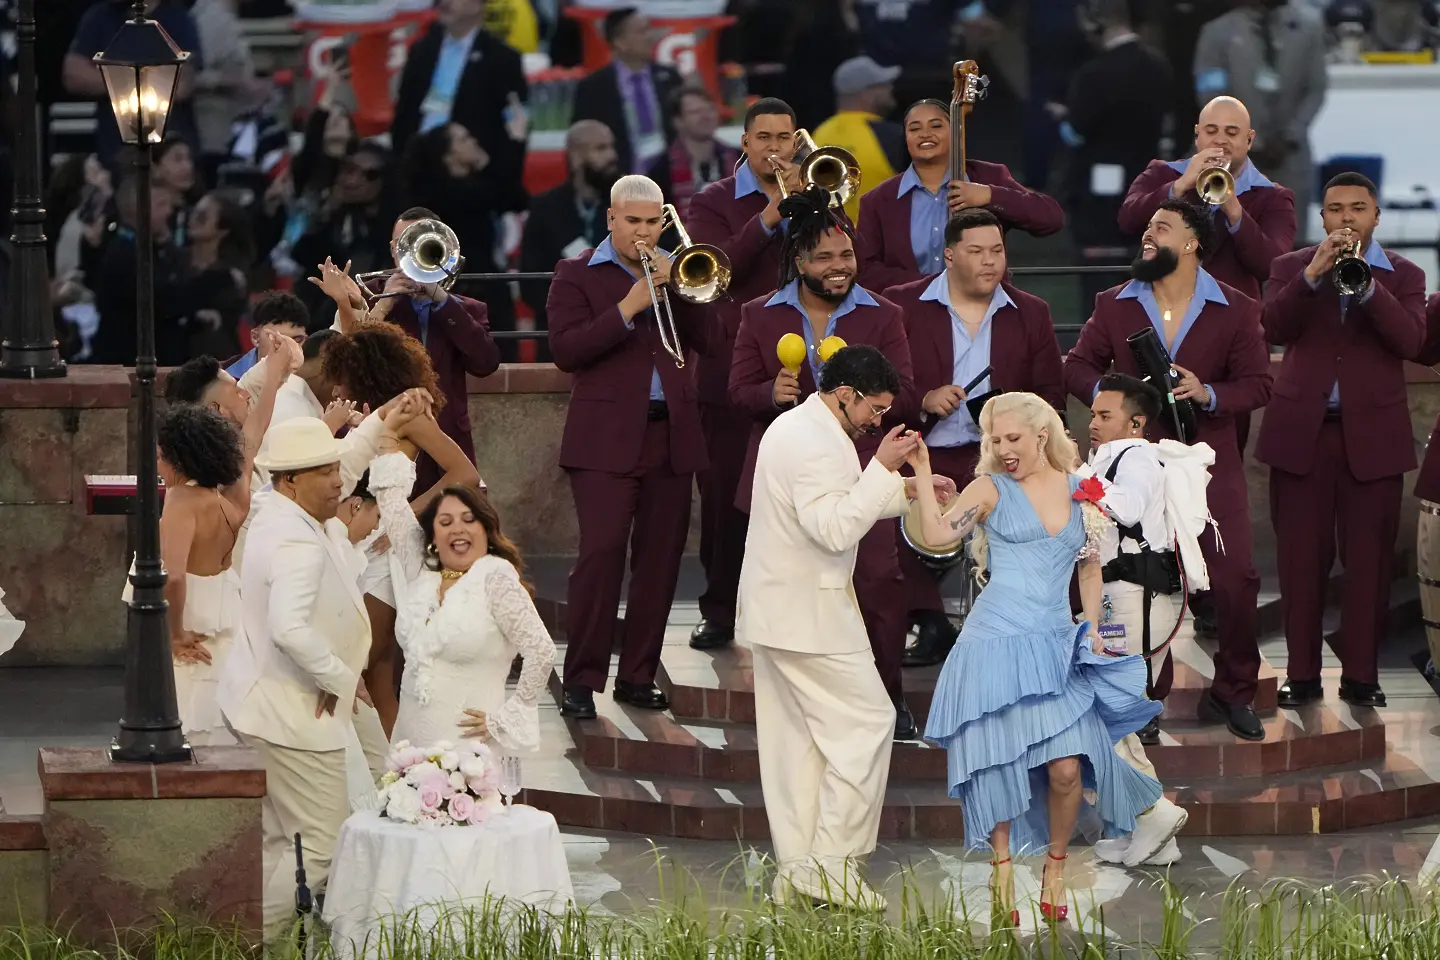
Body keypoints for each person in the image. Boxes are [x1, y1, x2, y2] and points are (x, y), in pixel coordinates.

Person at [916, 392, 1163, 924]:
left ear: (1041, 436)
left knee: (1068, 769)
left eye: (1012, 439)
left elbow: (1090, 568)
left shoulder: (1083, 490)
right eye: (994, 440)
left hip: (1054, 643)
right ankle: (1001, 866)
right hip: (993, 643)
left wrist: (1093, 630)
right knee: (997, 760)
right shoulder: (988, 489)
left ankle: (1055, 864)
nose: (1003, 449)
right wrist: (919, 471)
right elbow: (937, 536)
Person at [1064, 199, 1273, 742]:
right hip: (1131, 459)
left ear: (1194, 241)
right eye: (1147, 228)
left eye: (1162, 226)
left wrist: (1208, 391)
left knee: (1234, 577)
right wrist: (1116, 403)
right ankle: (1142, 701)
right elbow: (1078, 366)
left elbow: (1259, 384)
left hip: (1206, 462)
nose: (1148, 235)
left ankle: (1235, 691)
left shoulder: (1237, 306)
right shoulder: (1114, 303)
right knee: (1131, 578)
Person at [741, 344, 926, 911]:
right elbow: (833, 528)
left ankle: (798, 873)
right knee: (871, 722)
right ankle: (832, 867)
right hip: (810, 616)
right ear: (845, 394)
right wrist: (885, 469)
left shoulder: (806, 427)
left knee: (799, 748)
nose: (879, 420)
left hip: (786, 611)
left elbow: (840, 503)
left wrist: (908, 492)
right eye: (874, 408)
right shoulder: (812, 440)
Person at [728, 186, 917, 737]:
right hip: (790, 480)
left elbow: (904, 392)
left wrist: (858, 399)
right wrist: (771, 393)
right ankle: (796, 710)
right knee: (796, 590)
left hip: (865, 471)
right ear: (798, 262)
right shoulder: (758, 315)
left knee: (878, 585)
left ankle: (887, 699)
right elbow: (736, 391)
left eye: (847, 256)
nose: (840, 268)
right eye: (825, 258)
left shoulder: (884, 315)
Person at [547, 174, 717, 719]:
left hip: (670, 435)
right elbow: (567, 350)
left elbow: (711, 340)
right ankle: (581, 679)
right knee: (599, 556)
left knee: (660, 561)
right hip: (604, 441)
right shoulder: (575, 274)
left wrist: (681, 291)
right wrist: (628, 306)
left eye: (653, 222)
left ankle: (638, 676)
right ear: (611, 220)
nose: (644, 233)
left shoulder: (675, 267)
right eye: (633, 222)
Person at [1256, 172, 1428, 709]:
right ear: (1322, 217)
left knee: (1370, 566)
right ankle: (1302, 676)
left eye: (1358, 208)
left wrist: (1369, 287)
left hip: (1372, 440)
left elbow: (1411, 340)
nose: (1347, 218)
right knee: (1300, 564)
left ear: (1375, 216)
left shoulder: (1405, 275)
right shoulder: (1291, 268)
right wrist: (1312, 276)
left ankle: (1361, 677)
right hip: (1301, 437)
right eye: (1335, 209)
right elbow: (1272, 327)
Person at [217, 417, 389, 939]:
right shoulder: (297, 541)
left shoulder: (278, 510)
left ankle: (276, 946)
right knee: (320, 844)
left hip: (265, 706)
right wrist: (339, 676)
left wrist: (380, 419)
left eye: (338, 468)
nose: (341, 481)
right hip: (290, 715)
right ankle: (257, 946)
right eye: (327, 472)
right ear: (291, 481)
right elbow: (289, 628)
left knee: (280, 841)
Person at [882, 208, 1065, 667]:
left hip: (997, 456)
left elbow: (1051, 398)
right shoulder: (900, 306)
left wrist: (1014, 426)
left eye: (998, 251)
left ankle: (1002, 624)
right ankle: (930, 620)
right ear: (948, 255)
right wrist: (923, 400)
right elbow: (880, 392)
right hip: (918, 448)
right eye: (977, 251)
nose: (990, 262)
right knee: (884, 511)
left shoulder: (1031, 313)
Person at [685, 97, 812, 651]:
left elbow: (842, 252)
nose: (775, 149)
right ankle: (719, 608)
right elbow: (718, 269)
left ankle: (793, 610)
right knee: (724, 496)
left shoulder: (814, 191)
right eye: (763, 138)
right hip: (730, 364)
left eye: (784, 138)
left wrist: (812, 202)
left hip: (810, 362)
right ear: (744, 144)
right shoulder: (711, 202)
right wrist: (772, 215)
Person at [367, 396, 557, 749]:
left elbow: (542, 651)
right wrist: (388, 434)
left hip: (469, 756)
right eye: (446, 522)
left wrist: (505, 719)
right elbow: (392, 501)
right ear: (433, 538)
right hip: (409, 748)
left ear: (486, 531)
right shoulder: (423, 570)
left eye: (469, 521)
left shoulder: (496, 578)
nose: (458, 529)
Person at [1083, 374, 1193, 868]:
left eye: (1105, 416)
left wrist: (1074, 478)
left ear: (1136, 422)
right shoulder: (1108, 460)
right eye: (1092, 414)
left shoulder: (1139, 458)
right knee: (1112, 710)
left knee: (1111, 708)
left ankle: (1153, 813)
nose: (1093, 424)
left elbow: (1124, 509)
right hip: (1113, 599)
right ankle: (1151, 833)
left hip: (1133, 601)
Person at [361, 206, 502, 495]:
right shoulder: (369, 294)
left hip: (447, 438)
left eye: (419, 243)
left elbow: (486, 362)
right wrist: (384, 305)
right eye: (404, 245)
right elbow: (348, 354)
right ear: (392, 250)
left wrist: (441, 299)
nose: (411, 253)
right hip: (385, 436)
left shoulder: (467, 309)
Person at [859, 99, 1065, 292]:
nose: (925, 134)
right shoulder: (877, 200)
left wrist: (990, 196)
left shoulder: (988, 177)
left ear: (957, 132)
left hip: (986, 315)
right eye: (914, 128)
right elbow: (865, 271)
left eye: (936, 126)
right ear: (905, 138)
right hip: (912, 318)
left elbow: (1050, 218)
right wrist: (934, 285)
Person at [1118, 96, 1297, 305]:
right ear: (1197, 135)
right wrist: (1180, 186)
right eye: (1211, 131)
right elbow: (1128, 219)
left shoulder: (1274, 197)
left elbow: (1271, 265)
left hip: (1232, 321)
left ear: (1249, 140)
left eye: (1231, 133)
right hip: (1161, 311)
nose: (1220, 140)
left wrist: (1234, 211)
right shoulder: (1162, 173)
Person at [151, 406, 255, 747]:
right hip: (225, 636)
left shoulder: (181, 500)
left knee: (185, 735)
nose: (157, 465)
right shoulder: (227, 504)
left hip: (190, 633)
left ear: (179, 460)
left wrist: (176, 634)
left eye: (160, 457)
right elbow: (245, 462)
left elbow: (175, 577)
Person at [1061, 0, 1174, 309]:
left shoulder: (1093, 73)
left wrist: (1063, 118)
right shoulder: (1158, 67)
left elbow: (1075, 131)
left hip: (1099, 200)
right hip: (1147, 186)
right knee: (1144, 270)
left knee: (1100, 280)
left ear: (1098, 22)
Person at [1191, 0, 1328, 222]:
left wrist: (1290, 136)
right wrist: (1248, 142)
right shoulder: (1217, 32)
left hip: (1290, 160)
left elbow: (1316, 90)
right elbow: (1210, 94)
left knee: (1289, 243)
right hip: (1231, 162)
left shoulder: (1309, 26)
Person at [400, 123, 526, 354]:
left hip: (490, 287)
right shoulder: (442, 194)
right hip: (458, 290)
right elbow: (495, 194)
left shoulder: (478, 186)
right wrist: (493, 161)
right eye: (464, 138)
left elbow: (517, 199)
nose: (474, 142)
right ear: (448, 154)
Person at [391, 0, 530, 193]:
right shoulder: (422, 50)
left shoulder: (502, 58)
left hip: (468, 175)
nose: (444, 2)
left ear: (478, 5)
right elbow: (404, 111)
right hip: (417, 165)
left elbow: (514, 123)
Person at [519, 120, 622, 359]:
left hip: (619, 335)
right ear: (576, 157)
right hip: (560, 336)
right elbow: (529, 281)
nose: (612, 156)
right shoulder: (545, 208)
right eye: (600, 148)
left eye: (611, 147)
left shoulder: (628, 206)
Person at [64, 0, 203, 173]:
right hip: (114, 154)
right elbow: (74, 76)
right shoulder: (100, 17)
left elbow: (181, 85)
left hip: (169, 157)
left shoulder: (178, 19)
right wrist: (148, 73)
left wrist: (116, 73)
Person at [571, 7, 684, 175]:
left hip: (671, 179)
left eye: (649, 29)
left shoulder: (669, 77)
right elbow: (581, 141)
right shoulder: (594, 87)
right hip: (619, 180)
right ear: (619, 42)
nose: (651, 37)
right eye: (642, 32)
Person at [811, 56, 907, 224]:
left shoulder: (819, 134)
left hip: (832, 242)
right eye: (883, 84)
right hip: (877, 241)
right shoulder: (892, 135)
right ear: (866, 94)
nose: (890, 88)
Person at [645, 87, 741, 225]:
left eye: (710, 110)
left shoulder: (740, 160)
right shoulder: (660, 171)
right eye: (695, 112)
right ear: (678, 121)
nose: (705, 116)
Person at [226, 291, 310, 379]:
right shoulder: (222, 379)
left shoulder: (314, 380)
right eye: (278, 339)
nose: (289, 349)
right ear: (256, 337)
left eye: (297, 340)